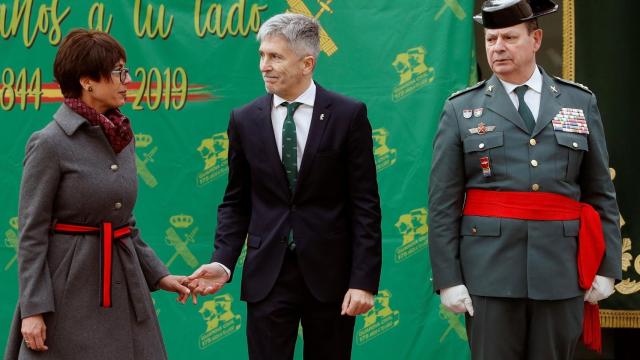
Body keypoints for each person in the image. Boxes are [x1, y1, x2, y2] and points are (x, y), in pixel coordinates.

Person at [428, 0, 622, 359]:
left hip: (560, 269)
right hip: (489, 271)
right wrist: (448, 278)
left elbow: (600, 192)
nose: (497, 47)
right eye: (491, 39)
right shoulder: (460, 109)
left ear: (535, 39)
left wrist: (607, 267)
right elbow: (443, 202)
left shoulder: (578, 102)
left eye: (509, 37)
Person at [187, 13, 382, 360]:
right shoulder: (244, 119)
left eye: (275, 57)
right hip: (267, 277)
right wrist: (223, 262)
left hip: (331, 279)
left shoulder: (348, 115)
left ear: (307, 63)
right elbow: (236, 202)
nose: (264, 65)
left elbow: (365, 204)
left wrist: (363, 281)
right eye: (262, 55)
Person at [4, 29, 191, 360]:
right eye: (118, 71)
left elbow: (124, 224)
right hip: (67, 294)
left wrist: (160, 276)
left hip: (124, 286)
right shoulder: (49, 143)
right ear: (87, 81)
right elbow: (31, 235)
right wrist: (33, 310)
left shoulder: (122, 137)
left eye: (126, 70)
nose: (127, 79)